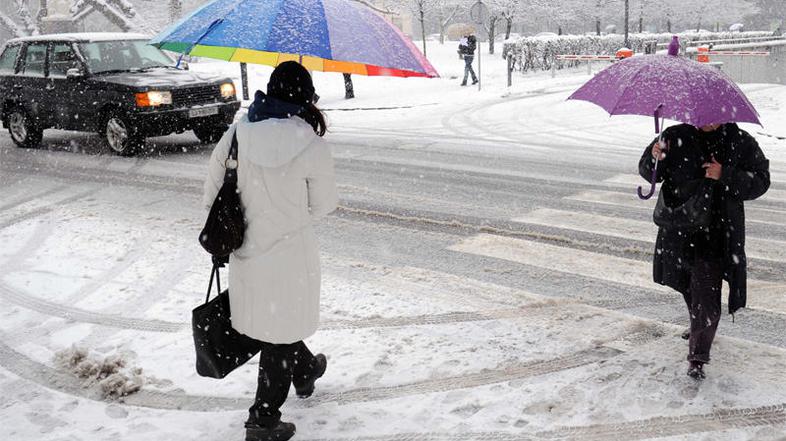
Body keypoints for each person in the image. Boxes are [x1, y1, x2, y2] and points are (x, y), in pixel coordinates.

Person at [203, 61, 339, 441]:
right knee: (280, 330)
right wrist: (288, 214)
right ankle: (262, 420)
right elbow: (323, 205)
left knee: (275, 320)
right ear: (305, 97)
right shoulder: (311, 144)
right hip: (291, 255)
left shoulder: (235, 135)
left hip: (246, 251)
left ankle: (307, 368)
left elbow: (213, 193)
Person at [639, 123, 770, 380]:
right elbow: (649, 172)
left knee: (707, 296)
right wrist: (653, 158)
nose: (705, 121)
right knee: (687, 285)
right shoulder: (674, 135)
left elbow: (761, 181)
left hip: (717, 233)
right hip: (678, 228)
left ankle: (698, 356)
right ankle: (698, 324)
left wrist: (725, 174)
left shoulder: (740, 141)